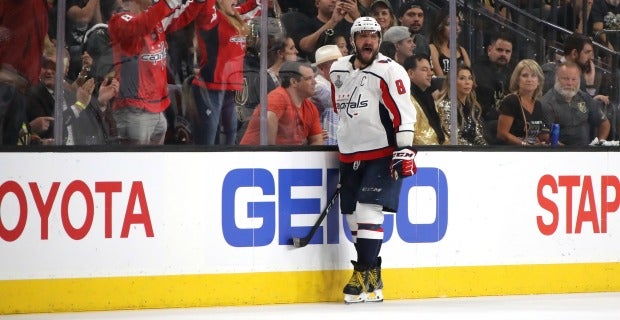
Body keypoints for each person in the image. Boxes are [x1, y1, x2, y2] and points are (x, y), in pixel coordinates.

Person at [329, 16, 417, 304]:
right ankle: (372, 274)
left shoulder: (391, 71)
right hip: (349, 151)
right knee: (353, 215)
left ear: (380, 40)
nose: (368, 41)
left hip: (382, 151)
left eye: (373, 36)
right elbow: (337, 106)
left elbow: (404, 111)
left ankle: (362, 272)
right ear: (353, 40)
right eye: (362, 36)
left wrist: (404, 147)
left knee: (368, 211)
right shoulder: (337, 69)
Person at [108, 0, 206, 145]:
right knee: (135, 165)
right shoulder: (119, 20)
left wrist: (198, 2)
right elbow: (141, 26)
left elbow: (181, 15)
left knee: (152, 165)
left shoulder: (154, 17)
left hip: (158, 109)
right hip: (134, 110)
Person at [192, 0, 259, 145]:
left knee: (230, 137)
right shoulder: (211, 17)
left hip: (229, 88)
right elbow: (203, 6)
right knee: (208, 142)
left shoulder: (237, 14)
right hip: (210, 87)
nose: (235, 0)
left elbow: (254, 5)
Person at [240, 61, 324, 145]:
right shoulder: (278, 96)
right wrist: (272, 151)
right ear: (294, 82)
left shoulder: (310, 107)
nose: (314, 82)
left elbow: (317, 140)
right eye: (308, 79)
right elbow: (268, 118)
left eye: (314, 78)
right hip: (256, 156)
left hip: (287, 156)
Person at [540, 61, 610, 146]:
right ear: (557, 79)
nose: (570, 83)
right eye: (566, 79)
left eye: (574, 79)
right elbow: (545, 136)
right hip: (560, 153)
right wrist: (570, 152)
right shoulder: (546, 103)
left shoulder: (584, 97)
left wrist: (599, 144)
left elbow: (604, 123)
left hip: (586, 152)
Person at [541, 34, 611, 107]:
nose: (592, 58)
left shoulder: (581, 76)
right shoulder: (550, 72)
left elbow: (583, 109)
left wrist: (591, 93)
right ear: (574, 53)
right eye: (587, 52)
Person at [497, 59, 549, 146]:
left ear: (539, 81)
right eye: (525, 75)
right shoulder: (511, 100)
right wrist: (525, 144)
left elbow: (538, 134)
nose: (529, 79)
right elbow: (502, 134)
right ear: (517, 80)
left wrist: (556, 143)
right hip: (512, 152)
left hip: (531, 152)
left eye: (533, 76)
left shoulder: (538, 105)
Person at [435, 65, 487, 145]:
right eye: (462, 78)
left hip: (473, 151)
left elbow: (478, 136)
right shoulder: (445, 106)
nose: (467, 82)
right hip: (455, 152)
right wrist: (474, 150)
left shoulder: (474, 107)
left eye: (470, 78)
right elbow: (454, 138)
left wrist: (486, 150)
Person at [471, 31, 515, 123]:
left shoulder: (513, 71)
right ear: (489, 50)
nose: (503, 54)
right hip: (483, 121)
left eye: (507, 51)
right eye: (499, 50)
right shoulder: (477, 70)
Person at [404, 54, 446, 145]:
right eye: (424, 69)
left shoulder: (428, 95)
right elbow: (417, 137)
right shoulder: (406, 98)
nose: (430, 73)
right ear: (410, 73)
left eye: (430, 69)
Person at [311, 44, 342, 145]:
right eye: (334, 65)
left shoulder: (335, 83)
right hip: (322, 138)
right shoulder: (318, 86)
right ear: (321, 68)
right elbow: (337, 104)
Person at [429, 9, 471, 77]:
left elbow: (469, 77)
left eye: (458, 24)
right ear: (441, 26)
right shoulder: (433, 48)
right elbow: (440, 79)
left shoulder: (461, 50)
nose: (457, 28)